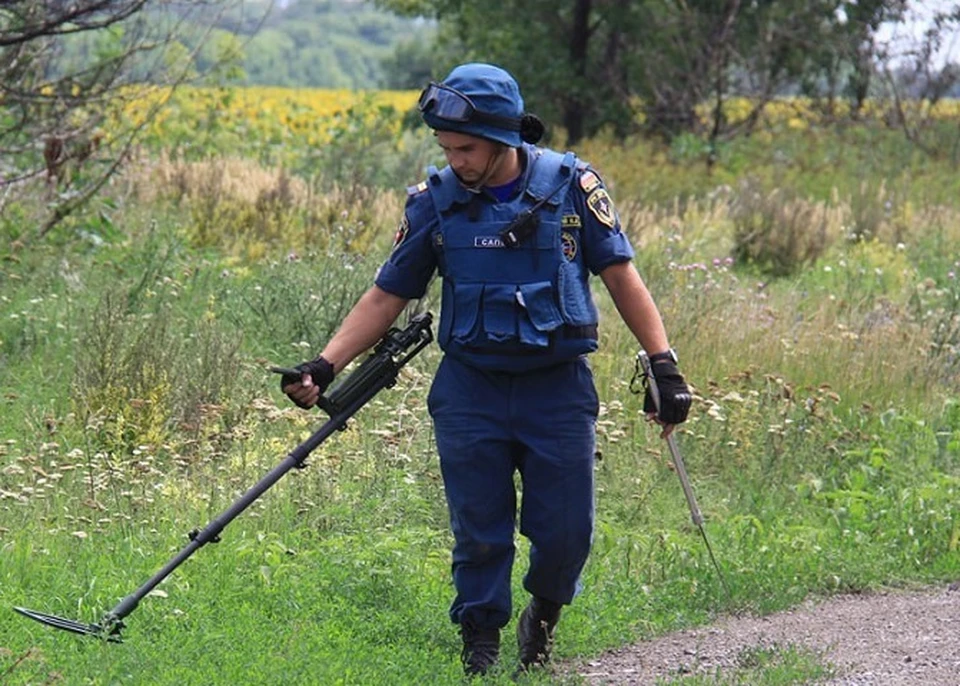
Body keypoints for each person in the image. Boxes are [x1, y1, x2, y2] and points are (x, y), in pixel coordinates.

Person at [281, 62, 691, 677]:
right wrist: (325, 364)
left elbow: (621, 273)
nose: (456, 161)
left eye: (466, 149)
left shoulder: (573, 187)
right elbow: (388, 293)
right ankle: (480, 642)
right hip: (469, 389)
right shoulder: (435, 203)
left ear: (504, 139)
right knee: (480, 530)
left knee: (566, 533)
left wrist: (663, 362)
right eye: (446, 148)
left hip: (557, 390)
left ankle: (544, 615)